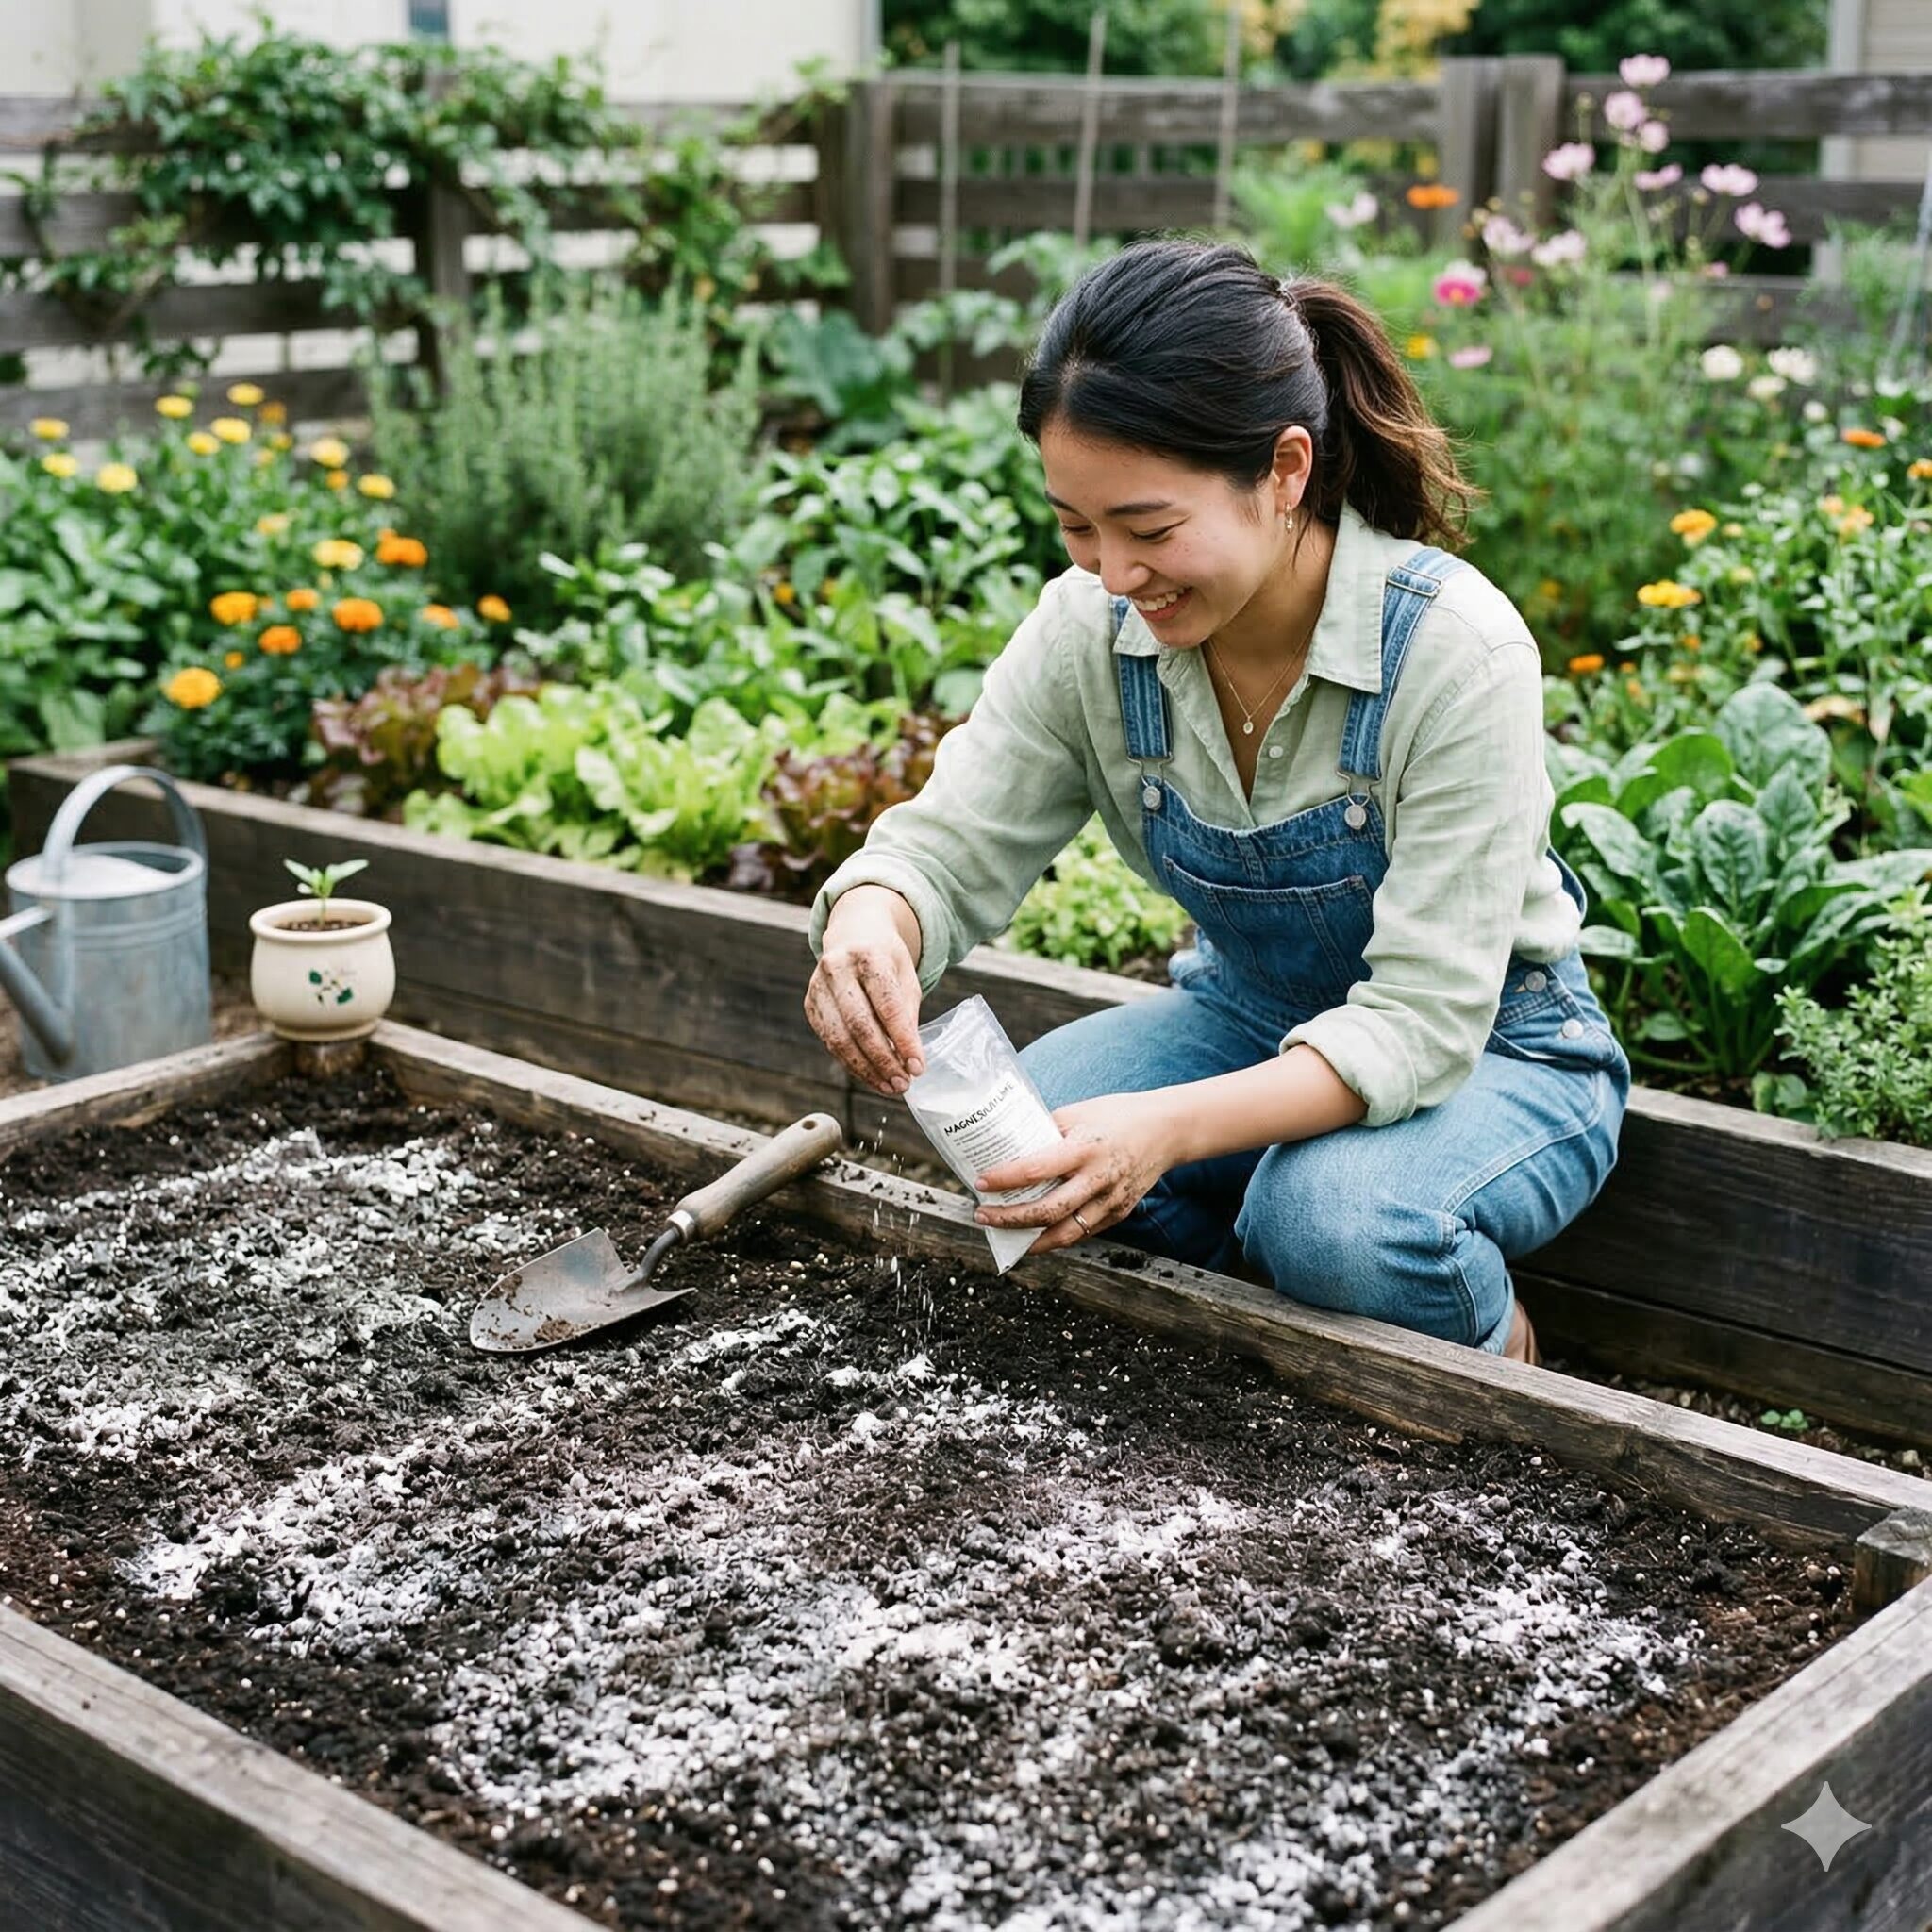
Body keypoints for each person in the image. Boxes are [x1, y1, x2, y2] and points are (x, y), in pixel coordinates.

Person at [803, 239, 1629, 1364]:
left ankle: (1496, 1349)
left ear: (1284, 470)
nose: (1111, 572)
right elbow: (946, 846)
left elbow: (1422, 1020)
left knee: (1331, 1219)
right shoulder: (1090, 632)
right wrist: (874, 921)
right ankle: (1245, 1325)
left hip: (1495, 1051)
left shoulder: (1451, 650)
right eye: (1074, 525)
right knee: (1024, 1151)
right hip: (1248, 1016)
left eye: (1148, 529)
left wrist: (1164, 1127)